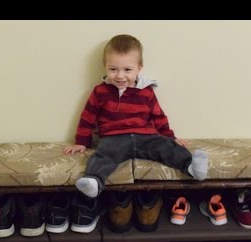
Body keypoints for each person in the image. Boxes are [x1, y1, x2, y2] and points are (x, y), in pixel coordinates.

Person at [64, 34, 208, 198]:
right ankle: (93, 180)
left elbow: (158, 116)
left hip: (145, 136)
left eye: (127, 70)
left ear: (139, 68)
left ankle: (191, 166)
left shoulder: (146, 91)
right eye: (113, 69)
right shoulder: (100, 92)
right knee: (103, 155)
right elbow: (88, 117)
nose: (119, 76)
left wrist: (170, 137)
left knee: (167, 147)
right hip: (114, 138)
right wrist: (81, 142)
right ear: (105, 66)